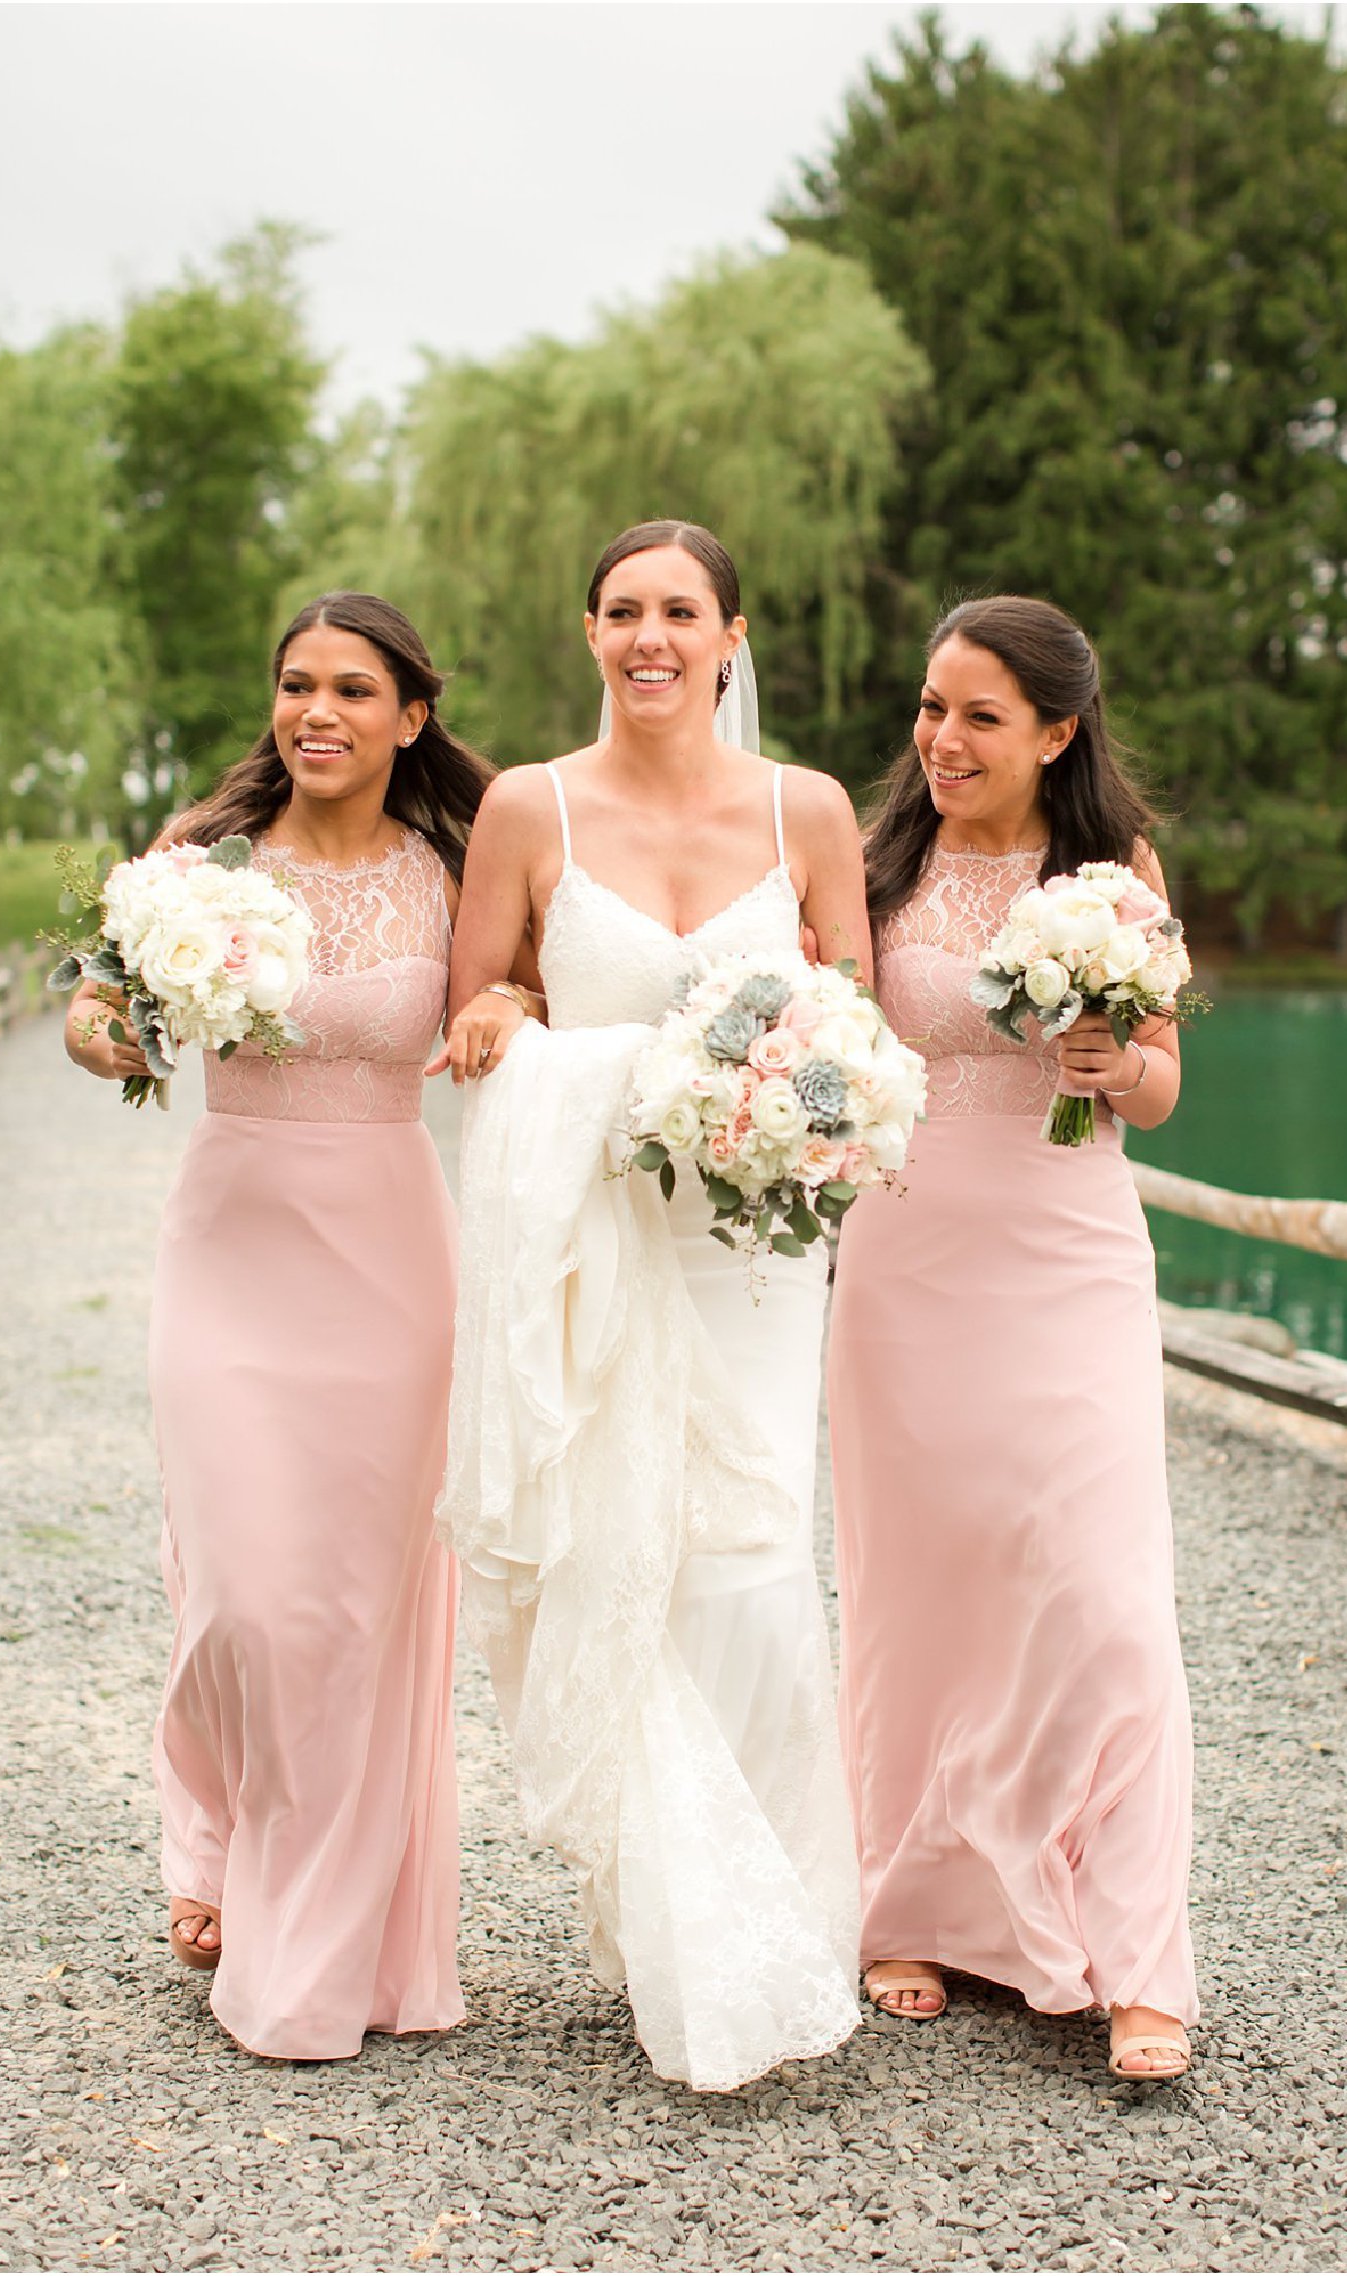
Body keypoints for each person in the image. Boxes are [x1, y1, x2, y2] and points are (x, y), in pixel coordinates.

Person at [436, 520, 869, 2091]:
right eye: (623, 610)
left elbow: (854, 1027)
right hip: (593, 1240)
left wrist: (798, 1109)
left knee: (750, 1568)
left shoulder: (807, 809)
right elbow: (483, 1003)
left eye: (681, 610)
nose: (651, 636)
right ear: (591, 629)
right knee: (622, 1555)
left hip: (751, 1252)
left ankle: (786, 1914)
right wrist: (498, 1012)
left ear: (733, 634)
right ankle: (669, 1930)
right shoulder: (525, 806)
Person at [64, 592, 526, 2059]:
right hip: (230, 1248)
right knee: (241, 1601)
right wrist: (112, 1032)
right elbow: (96, 1013)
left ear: (410, 717)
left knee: (346, 1614)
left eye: (349, 688)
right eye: (294, 686)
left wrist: (507, 1004)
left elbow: (509, 1008)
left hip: (389, 1261)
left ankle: (311, 1937)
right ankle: (206, 1809)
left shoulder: (457, 870)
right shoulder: (198, 863)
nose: (315, 711)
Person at [826, 594, 1197, 2081]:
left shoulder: (1113, 877)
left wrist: (1119, 1062)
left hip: (1069, 1250)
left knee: (1105, 1597)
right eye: (930, 708)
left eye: (980, 715)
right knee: (924, 1590)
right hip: (910, 1258)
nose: (943, 739)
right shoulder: (876, 869)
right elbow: (828, 1049)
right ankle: (908, 1901)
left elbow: (1166, 1084)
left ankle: (1137, 1955)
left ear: (1058, 731)